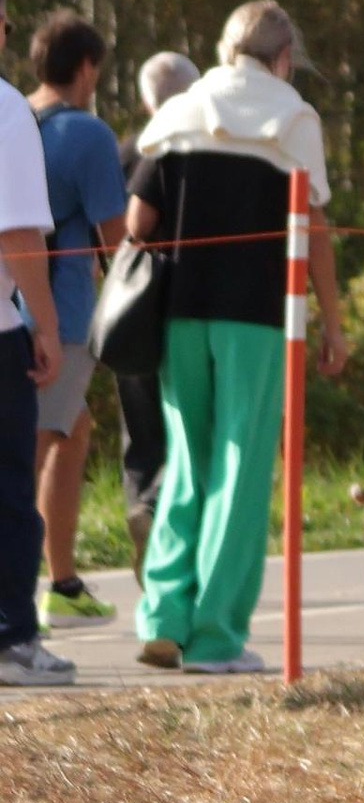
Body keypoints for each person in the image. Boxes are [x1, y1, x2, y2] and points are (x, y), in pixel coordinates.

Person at [126, 1, 348, 673]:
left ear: (226, 49)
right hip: (258, 316)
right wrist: (332, 321)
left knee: (189, 463)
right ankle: (217, 637)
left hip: (179, 311)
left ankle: (163, 614)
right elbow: (312, 234)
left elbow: (139, 222)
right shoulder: (293, 117)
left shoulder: (180, 111)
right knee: (240, 472)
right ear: (284, 58)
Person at [25, 13, 128, 633]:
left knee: (75, 429)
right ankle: (23, 597)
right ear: (86, 68)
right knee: (29, 452)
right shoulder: (86, 134)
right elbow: (116, 237)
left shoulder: (14, 120)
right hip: (57, 318)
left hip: (16, 307)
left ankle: (61, 583)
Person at [0, 0, 69, 687]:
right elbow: (17, 230)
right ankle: (12, 638)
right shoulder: (5, 107)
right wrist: (43, 324)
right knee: (7, 489)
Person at [106, 49, 196, 574]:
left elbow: (117, 230)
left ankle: (142, 505)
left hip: (129, 303)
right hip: (188, 302)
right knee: (184, 424)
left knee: (138, 427)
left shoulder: (123, 152)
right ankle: (166, 526)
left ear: (144, 99)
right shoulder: (195, 149)